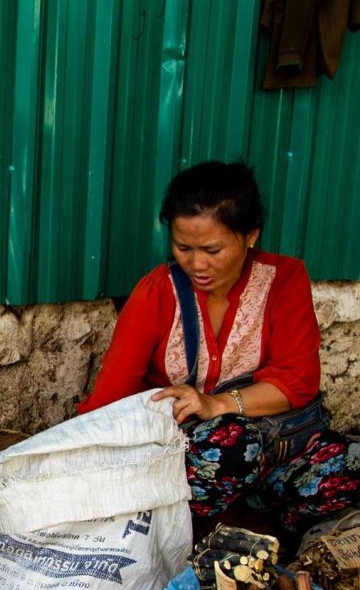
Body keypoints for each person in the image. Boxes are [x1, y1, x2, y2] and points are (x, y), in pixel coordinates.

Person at [78, 160, 359, 538]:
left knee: (349, 467)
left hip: (280, 451)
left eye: (212, 249)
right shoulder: (157, 293)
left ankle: (258, 522)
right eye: (183, 247)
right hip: (201, 463)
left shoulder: (284, 280)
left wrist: (219, 404)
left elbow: (298, 381)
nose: (197, 263)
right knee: (228, 445)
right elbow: (110, 398)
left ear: (250, 235)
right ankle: (209, 526)